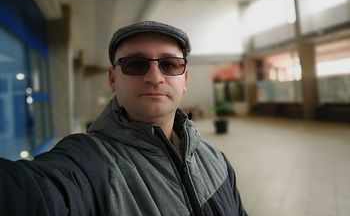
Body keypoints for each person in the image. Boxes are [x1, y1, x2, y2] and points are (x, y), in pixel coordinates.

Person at [0, 21, 248, 216]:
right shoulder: (90, 164)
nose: (154, 77)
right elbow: (32, 194)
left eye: (170, 64)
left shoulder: (217, 161)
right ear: (112, 79)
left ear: (184, 80)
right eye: (135, 64)